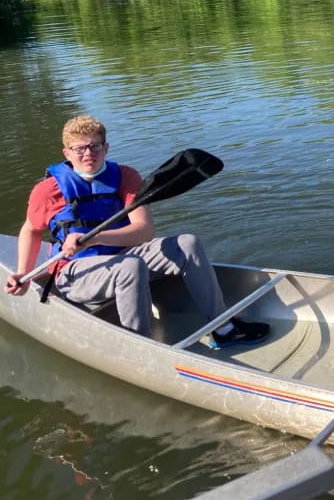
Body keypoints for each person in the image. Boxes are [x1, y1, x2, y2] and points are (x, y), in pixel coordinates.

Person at [4, 115, 269, 348]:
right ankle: (141, 345)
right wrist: (23, 273)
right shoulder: (48, 190)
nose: (88, 153)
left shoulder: (125, 176)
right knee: (129, 267)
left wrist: (95, 237)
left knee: (187, 242)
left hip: (125, 253)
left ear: (106, 147)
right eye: (79, 148)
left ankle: (222, 328)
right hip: (75, 271)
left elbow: (143, 232)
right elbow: (31, 229)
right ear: (67, 153)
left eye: (94, 146)